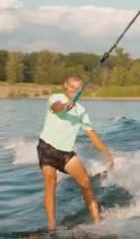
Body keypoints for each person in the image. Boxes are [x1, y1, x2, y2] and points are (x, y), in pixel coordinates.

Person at [36, 75, 114, 230]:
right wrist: (66, 105)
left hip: (65, 153)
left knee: (86, 182)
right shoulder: (56, 97)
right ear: (65, 85)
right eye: (72, 87)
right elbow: (56, 107)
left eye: (78, 89)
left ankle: (98, 223)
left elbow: (91, 133)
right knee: (50, 181)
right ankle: (52, 226)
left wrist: (107, 153)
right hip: (47, 148)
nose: (75, 91)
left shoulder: (81, 110)